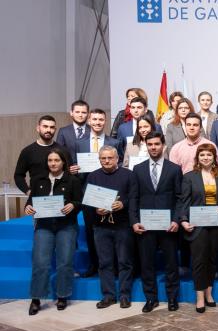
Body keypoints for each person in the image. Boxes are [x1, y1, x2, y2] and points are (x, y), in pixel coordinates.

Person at [23, 147, 82, 315]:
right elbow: (30, 201)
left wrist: (74, 205)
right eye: (50, 160)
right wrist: (28, 207)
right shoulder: (38, 180)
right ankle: (36, 298)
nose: (53, 163)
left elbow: (80, 201)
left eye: (56, 160)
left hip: (66, 226)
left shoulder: (73, 181)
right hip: (44, 226)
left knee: (65, 262)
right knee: (40, 263)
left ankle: (62, 295)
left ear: (63, 162)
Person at [129, 132, 182, 312]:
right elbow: (133, 198)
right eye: (150, 144)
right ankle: (151, 298)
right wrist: (134, 221)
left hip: (168, 226)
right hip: (145, 226)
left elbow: (179, 197)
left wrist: (176, 219)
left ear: (163, 145)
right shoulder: (138, 169)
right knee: (146, 263)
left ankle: (172, 298)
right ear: (146, 145)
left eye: (156, 144)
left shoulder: (174, 168)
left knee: (171, 264)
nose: (153, 147)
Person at [178, 143, 218, 313]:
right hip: (197, 225)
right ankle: (199, 297)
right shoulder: (189, 177)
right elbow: (183, 200)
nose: (206, 158)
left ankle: (209, 294)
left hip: (216, 225)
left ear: (214, 157)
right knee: (199, 261)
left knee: (212, 260)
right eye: (202, 155)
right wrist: (183, 220)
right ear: (197, 158)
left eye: (209, 155)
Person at [84, 145, 138, 309]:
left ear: (117, 159)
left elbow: (135, 197)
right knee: (105, 262)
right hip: (101, 226)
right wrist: (95, 209)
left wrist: (123, 203)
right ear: (99, 159)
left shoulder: (128, 175)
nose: (107, 161)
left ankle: (124, 295)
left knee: (124, 262)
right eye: (103, 158)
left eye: (110, 158)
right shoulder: (92, 176)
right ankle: (108, 296)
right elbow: (87, 200)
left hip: (123, 226)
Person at [69, 109, 115, 277]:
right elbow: (73, 164)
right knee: (91, 230)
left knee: (111, 230)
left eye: (101, 119)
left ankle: (113, 265)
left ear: (105, 121)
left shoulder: (114, 142)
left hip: (109, 192)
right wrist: (72, 168)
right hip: (87, 193)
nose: (97, 122)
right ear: (89, 121)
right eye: (94, 119)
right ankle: (94, 265)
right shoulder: (79, 143)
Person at [15, 115, 65, 194]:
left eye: (52, 127)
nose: (48, 130)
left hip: (60, 198)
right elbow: (18, 175)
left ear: (55, 130)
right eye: (45, 126)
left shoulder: (63, 150)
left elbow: (70, 175)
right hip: (37, 198)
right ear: (38, 128)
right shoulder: (28, 151)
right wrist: (27, 191)